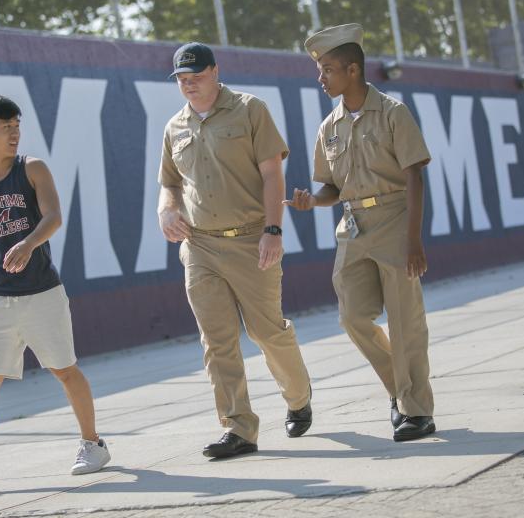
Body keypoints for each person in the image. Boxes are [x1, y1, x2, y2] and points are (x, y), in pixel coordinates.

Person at [0, 95, 110, 491]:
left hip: (42, 292)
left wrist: (29, 243)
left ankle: (93, 444)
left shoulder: (32, 168)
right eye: (6, 127)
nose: (15, 133)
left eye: (18, 125)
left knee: (64, 370)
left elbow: (53, 217)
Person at [158, 42, 313, 459]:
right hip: (200, 247)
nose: (189, 85)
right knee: (217, 341)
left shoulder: (250, 109)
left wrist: (273, 230)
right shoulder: (175, 126)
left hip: (250, 239)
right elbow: (169, 183)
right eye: (182, 80)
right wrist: (166, 210)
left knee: (266, 331)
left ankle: (298, 397)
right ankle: (238, 428)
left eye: (196, 76)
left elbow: (271, 174)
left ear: (215, 71)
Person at [285, 23, 435, 441]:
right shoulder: (329, 127)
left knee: (406, 322)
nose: (321, 78)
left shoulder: (392, 113)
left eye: (328, 69)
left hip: (394, 219)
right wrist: (311, 201)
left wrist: (414, 239)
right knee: (353, 316)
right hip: (352, 227)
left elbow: (415, 178)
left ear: (353, 70)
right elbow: (332, 188)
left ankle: (417, 411)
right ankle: (399, 392)